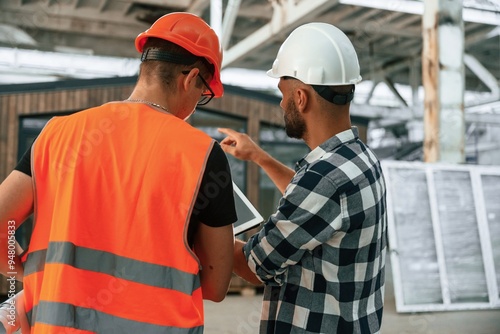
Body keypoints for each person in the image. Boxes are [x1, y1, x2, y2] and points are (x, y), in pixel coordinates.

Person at [0, 12, 237, 333]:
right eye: (204, 93)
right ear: (190, 78)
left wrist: (23, 269)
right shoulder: (203, 154)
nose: (198, 101)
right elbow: (216, 285)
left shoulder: (57, 134)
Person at [218, 22, 387, 333]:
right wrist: (260, 157)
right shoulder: (361, 159)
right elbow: (316, 208)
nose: (281, 104)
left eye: (282, 94)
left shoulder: (323, 181)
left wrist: (201, 226)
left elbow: (256, 266)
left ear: (300, 98)